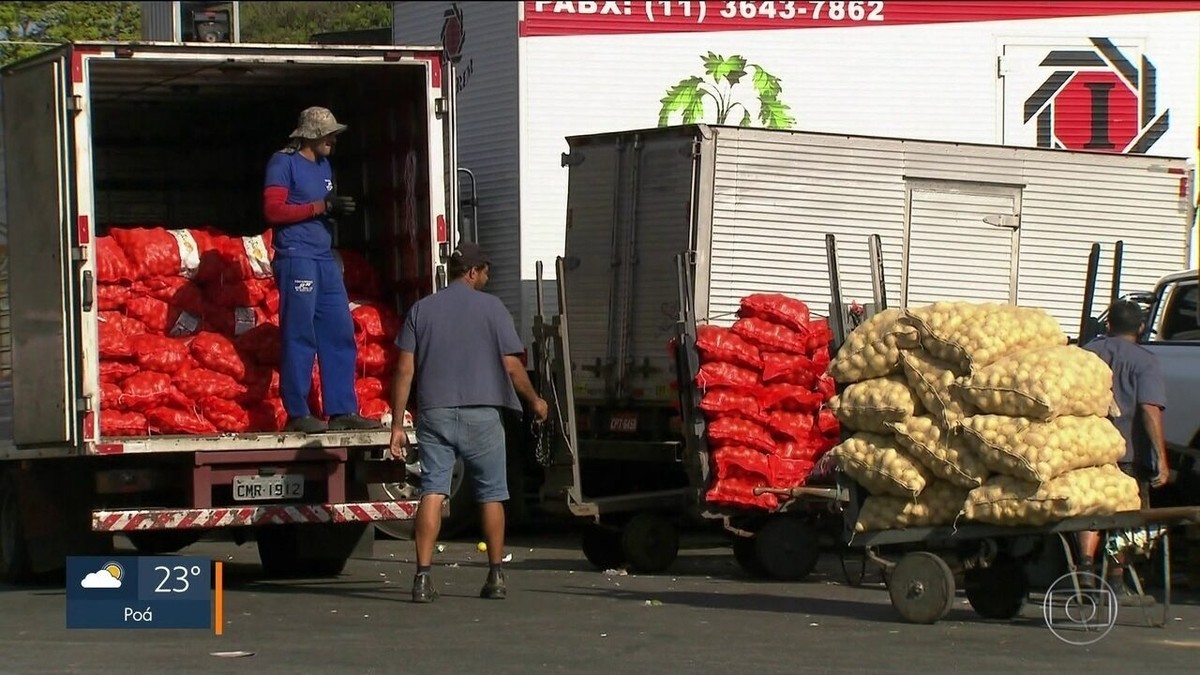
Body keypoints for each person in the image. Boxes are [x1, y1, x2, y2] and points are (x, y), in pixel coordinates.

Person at [388, 242, 549, 603]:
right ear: (472, 272)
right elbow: (511, 365)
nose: (487, 278)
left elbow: (405, 369)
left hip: (435, 412)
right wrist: (535, 401)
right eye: (486, 272)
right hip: (483, 414)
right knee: (492, 493)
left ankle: (423, 578)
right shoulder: (492, 309)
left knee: (433, 490)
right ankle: (495, 575)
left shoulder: (422, 310)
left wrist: (398, 424)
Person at [262, 106, 382, 434]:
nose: (333, 140)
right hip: (297, 256)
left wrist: (331, 212)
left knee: (339, 329)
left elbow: (315, 209)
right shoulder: (283, 163)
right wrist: (321, 207)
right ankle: (297, 411)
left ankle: (342, 409)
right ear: (312, 134)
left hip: (324, 257)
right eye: (329, 134)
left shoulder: (325, 165)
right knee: (300, 332)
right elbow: (273, 210)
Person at [1078, 299, 1170, 603]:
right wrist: (1162, 459)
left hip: (1089, 450)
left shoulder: (1088, 352)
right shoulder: (1145, 361)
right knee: (1125, 512)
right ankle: (1116, 579)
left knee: (1092, 509)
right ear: (1142, 328)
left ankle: (1085, 568)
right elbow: (1149, 410)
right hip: (1129, 454)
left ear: (1109, 325)